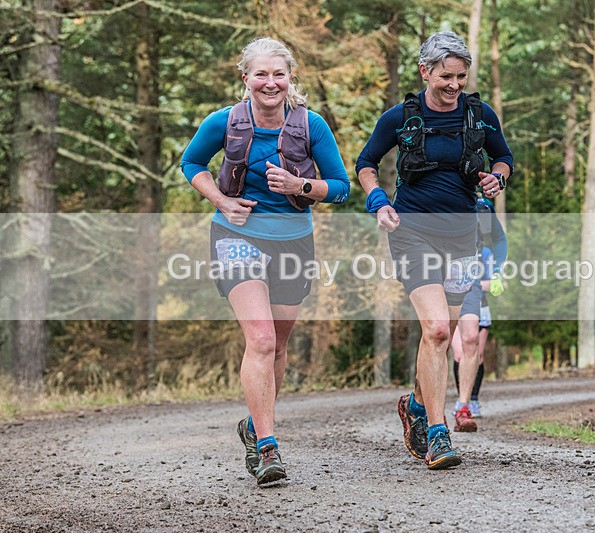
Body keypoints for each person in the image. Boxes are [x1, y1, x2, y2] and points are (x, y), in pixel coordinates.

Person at [181, 37, 350, 485]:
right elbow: (191, 162)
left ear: (291, 78)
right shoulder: (224, 121)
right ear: (245, 79)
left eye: (279, 74)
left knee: (277, 342)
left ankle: (254, 425)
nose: (270, 82)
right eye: (261, 74)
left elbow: (341, 186)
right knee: (259, 339)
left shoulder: (311, 125)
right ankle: (269, 447)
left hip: (294, 242)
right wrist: (220, 199)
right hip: (236, 235)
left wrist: (301, 187)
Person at [356, 31, 513, 470]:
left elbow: (504, 158)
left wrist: (496, 178)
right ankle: (439, 435)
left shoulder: (481, 116)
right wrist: (377, 199)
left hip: (462, 235)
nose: (454, 85)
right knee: (439, 330)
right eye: (446, 76)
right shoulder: (399, 117)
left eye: (461, 76)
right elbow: (366, 163)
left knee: (436, 338)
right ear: (425, 71)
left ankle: (417, 405)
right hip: (412, 231)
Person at [451, 195, 507, 432]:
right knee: (439, 339)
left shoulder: (482, 206)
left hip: (469, 279)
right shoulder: (434, 193)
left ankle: (464, 405)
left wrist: (496, 272)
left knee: (471, 342)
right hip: (435, 275)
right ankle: (423, 407)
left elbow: (500, 239)